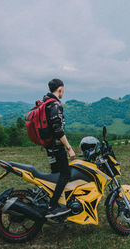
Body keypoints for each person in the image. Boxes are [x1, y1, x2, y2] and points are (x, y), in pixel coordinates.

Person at [43, 78, 76, 218]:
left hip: (49, 147)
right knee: (65, 174)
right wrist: (69, 147)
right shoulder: (55, 104)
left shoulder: (45, 102)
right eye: (63, 90)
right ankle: (53, 205)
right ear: (60, 89)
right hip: (56, 147)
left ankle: (55, 202)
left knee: (55, 175)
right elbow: (58, 129)